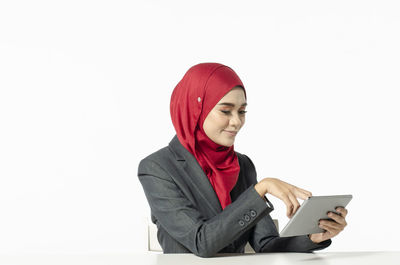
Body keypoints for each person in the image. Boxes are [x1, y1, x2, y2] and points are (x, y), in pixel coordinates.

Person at [137, 63, 348, 257]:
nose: (237, 121)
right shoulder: (158, 168)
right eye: (226, 111)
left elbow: (265, 243)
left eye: (242, 111)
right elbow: (202, 242)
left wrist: (313, 237)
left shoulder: (242, 165)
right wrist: (260, 190)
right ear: (195, 110)